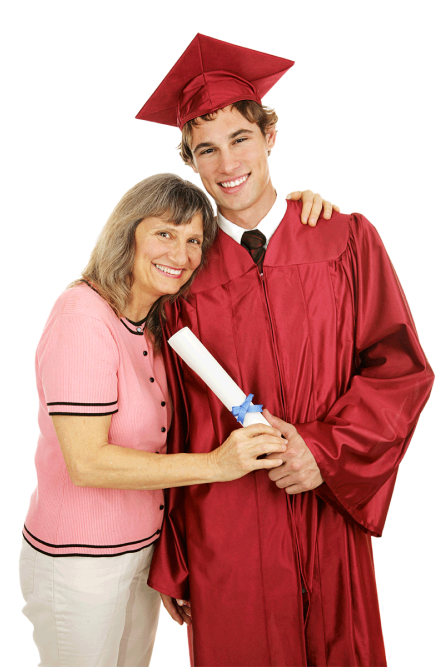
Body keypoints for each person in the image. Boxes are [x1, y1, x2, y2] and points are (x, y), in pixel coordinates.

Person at [135, 34, 435, 667]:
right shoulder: (181, 273)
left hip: (327, 508)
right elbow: (168, 418)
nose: (226, 164)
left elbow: (399, 368)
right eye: (205, 150)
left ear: (269, 135)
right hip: (228, 529)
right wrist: (177, 551)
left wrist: (323, 452)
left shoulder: (345, 240)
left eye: (240, 138)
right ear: (191, 161)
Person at [19, 173, 313, 667]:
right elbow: (88, 464)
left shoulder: (153, 327)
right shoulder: (82, 318)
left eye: (194, 240)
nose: (181, 253)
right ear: (127, 233)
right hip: (79, 566)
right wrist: (218, 464)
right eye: (165, 233)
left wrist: (292, 213)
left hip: (137, 558)